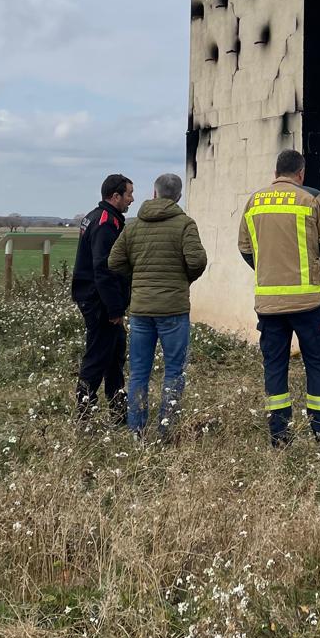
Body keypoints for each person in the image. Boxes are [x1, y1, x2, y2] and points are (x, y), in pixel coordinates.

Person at [238, 149, 320, 446]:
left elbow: (245, 249)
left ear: (275, 173)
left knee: (275, 365)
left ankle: (279, 434)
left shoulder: (253, 202)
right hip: (309, 303)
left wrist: (269, 272)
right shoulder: (311, 199)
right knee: (319, 364)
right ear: (301, 174)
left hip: (268, 305)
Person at [108, 172, 207, 440]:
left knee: (139, 371)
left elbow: (114, 262)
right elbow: (197, 261)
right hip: (174, 309)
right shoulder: (185, 224)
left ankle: (136, 431)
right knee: (174, 370)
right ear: (178, 196)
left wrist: (138, 276)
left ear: (153, 193)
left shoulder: (133, 225)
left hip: (141, 310)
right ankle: (167, 428)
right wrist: (183, 278)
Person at [70, 173, 134, 423]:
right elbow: (103, 268)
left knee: (115, 353)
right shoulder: (106, 222)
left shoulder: (97, 217)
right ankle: (84, 414)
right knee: (97, 356)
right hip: (100, 302)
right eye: (128, 193)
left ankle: (119, 413)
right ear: (115, 196)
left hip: (100, 299)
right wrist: (115, 309)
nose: (132, 199)